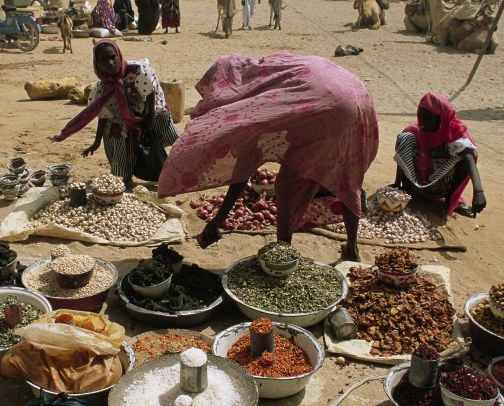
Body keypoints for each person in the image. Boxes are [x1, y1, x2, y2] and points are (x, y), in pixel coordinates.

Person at [157, 52, 379, 262]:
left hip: (332, 108)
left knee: (289, 186)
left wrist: (219, 218)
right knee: (348, 177)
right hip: (358, 95)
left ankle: (283, 253)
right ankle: (352, 248)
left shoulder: (253, 106)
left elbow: (242, 169)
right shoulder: (270, 66)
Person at [50, 40, 178, 189]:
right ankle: (127, 177)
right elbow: (104, 115)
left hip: (146, 109)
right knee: (116, 135)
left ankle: (175, 165)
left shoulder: (136, 70)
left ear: (118, 55)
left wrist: (149, 118)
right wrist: (97, 142)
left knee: (160, 135)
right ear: (97, 63)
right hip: (122, 117)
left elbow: (150, 92)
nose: (110, 63)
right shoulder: (102, 87)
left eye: (112, 57)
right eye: (104, 60)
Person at [392, 92, 486, 218]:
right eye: (420, 116)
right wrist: (397, 184)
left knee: (464, 156)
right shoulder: (414, 131)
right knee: (404, 138)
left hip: (440, 185)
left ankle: (449, 202)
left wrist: (478, 191)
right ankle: (408, 193)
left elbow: (469, 158)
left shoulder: (453, 135)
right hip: (417, 182)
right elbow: (402, 158)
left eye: (427, 118)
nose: (422, 122)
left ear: (441, 120)